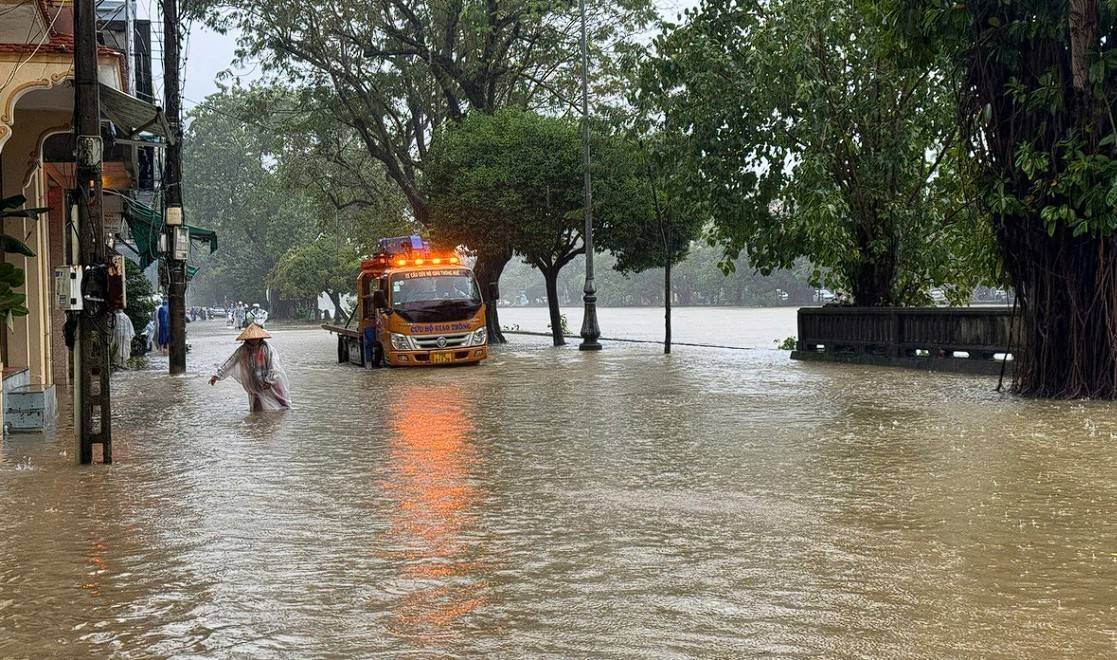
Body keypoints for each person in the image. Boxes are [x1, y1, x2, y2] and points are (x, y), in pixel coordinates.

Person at [209, 323, 291, 411]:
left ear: (260, 337)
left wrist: (270, 380)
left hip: (271, 382)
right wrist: (217, 375)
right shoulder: (243, 350)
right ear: (247, 339)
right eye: (251, 338)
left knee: (282, 404)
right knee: (257, 408)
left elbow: (274, 365)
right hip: (254, 382)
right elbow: (230, 362)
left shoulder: (266, 348)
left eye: (256, 338)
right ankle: (258, 423)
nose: (253, 340)